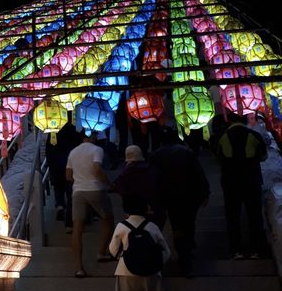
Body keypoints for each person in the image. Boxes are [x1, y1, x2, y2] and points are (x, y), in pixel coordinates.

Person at [150, 127, 209, 277]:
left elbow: (151, 177)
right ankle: (186, 259)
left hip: (164, 196)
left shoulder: (155, 155)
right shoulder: (186, 152)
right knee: (186, 225)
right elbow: (198, 173)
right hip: (186, 195)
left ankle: (172, 257)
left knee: (172, 228)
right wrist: (205, 193)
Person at [216, 112, 268, 259]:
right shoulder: (253, 135)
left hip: (231, 183)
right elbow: (264, 156)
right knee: (254, 215)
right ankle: (256, 250)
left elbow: (219, 158)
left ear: (229, 120)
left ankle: (236, 250)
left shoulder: (223, 137)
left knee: (233, 216)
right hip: (252, 181)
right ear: (245, 119)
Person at [66, 131, 115, 278]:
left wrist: (79, 179)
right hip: (95, 189)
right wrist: (109, 184)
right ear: (94, 136)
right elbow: (97, 169)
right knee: (108, 219)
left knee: (77, 229)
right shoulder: (97, 150)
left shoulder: (73, 152)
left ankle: (79, 268)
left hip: (78, 192)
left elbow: (68, 176)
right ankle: (102, 252)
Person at [113, 145, 164, 229]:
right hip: (153, 207)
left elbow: (119, 188)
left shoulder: (126, 173)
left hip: (134, 210)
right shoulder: (151, 169)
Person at [45, 121, 81, 233]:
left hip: (56, 165)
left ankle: (60, 206)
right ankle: (70, 220)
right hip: (70, 165)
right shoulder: (73, 130)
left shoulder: (53, 132)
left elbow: (48, 151)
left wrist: (50, 165)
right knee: (70, 191)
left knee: (58, 186)